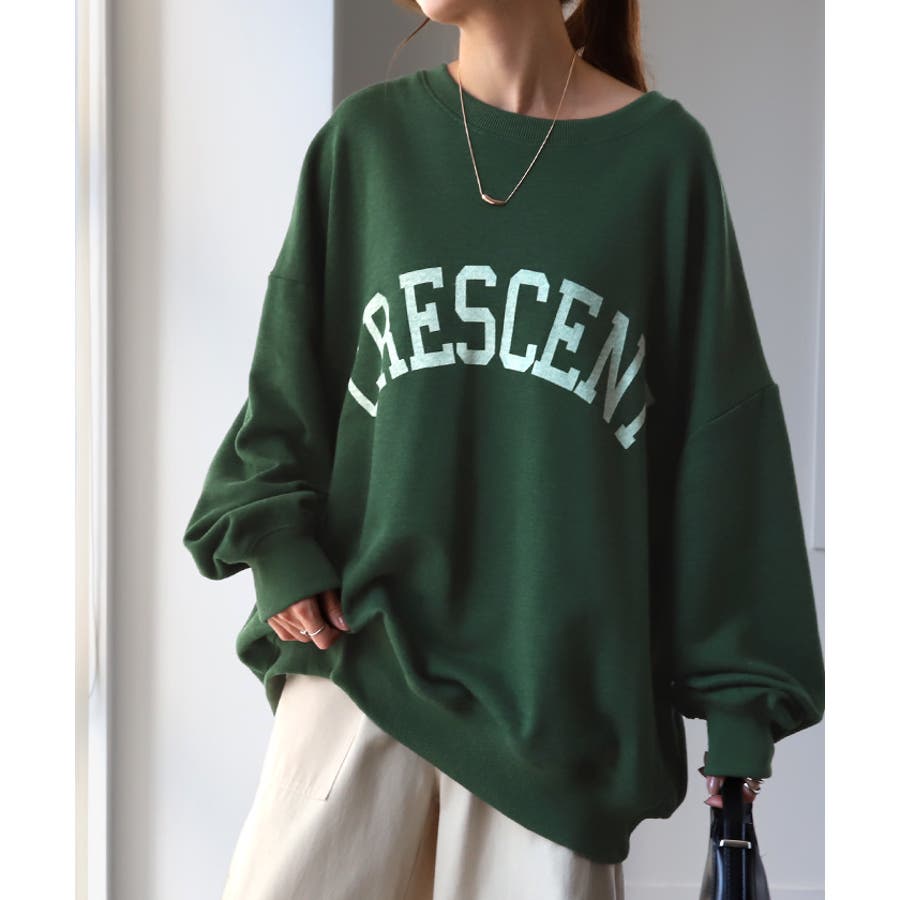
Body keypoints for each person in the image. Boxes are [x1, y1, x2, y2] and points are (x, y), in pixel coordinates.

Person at [182, 1, 826, 897]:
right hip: (360, 668)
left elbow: (721, 446)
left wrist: (739, 711)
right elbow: (289, 381)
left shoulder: (661, 162)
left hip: (557, 723)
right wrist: (277, 546)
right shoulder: (366, 145)